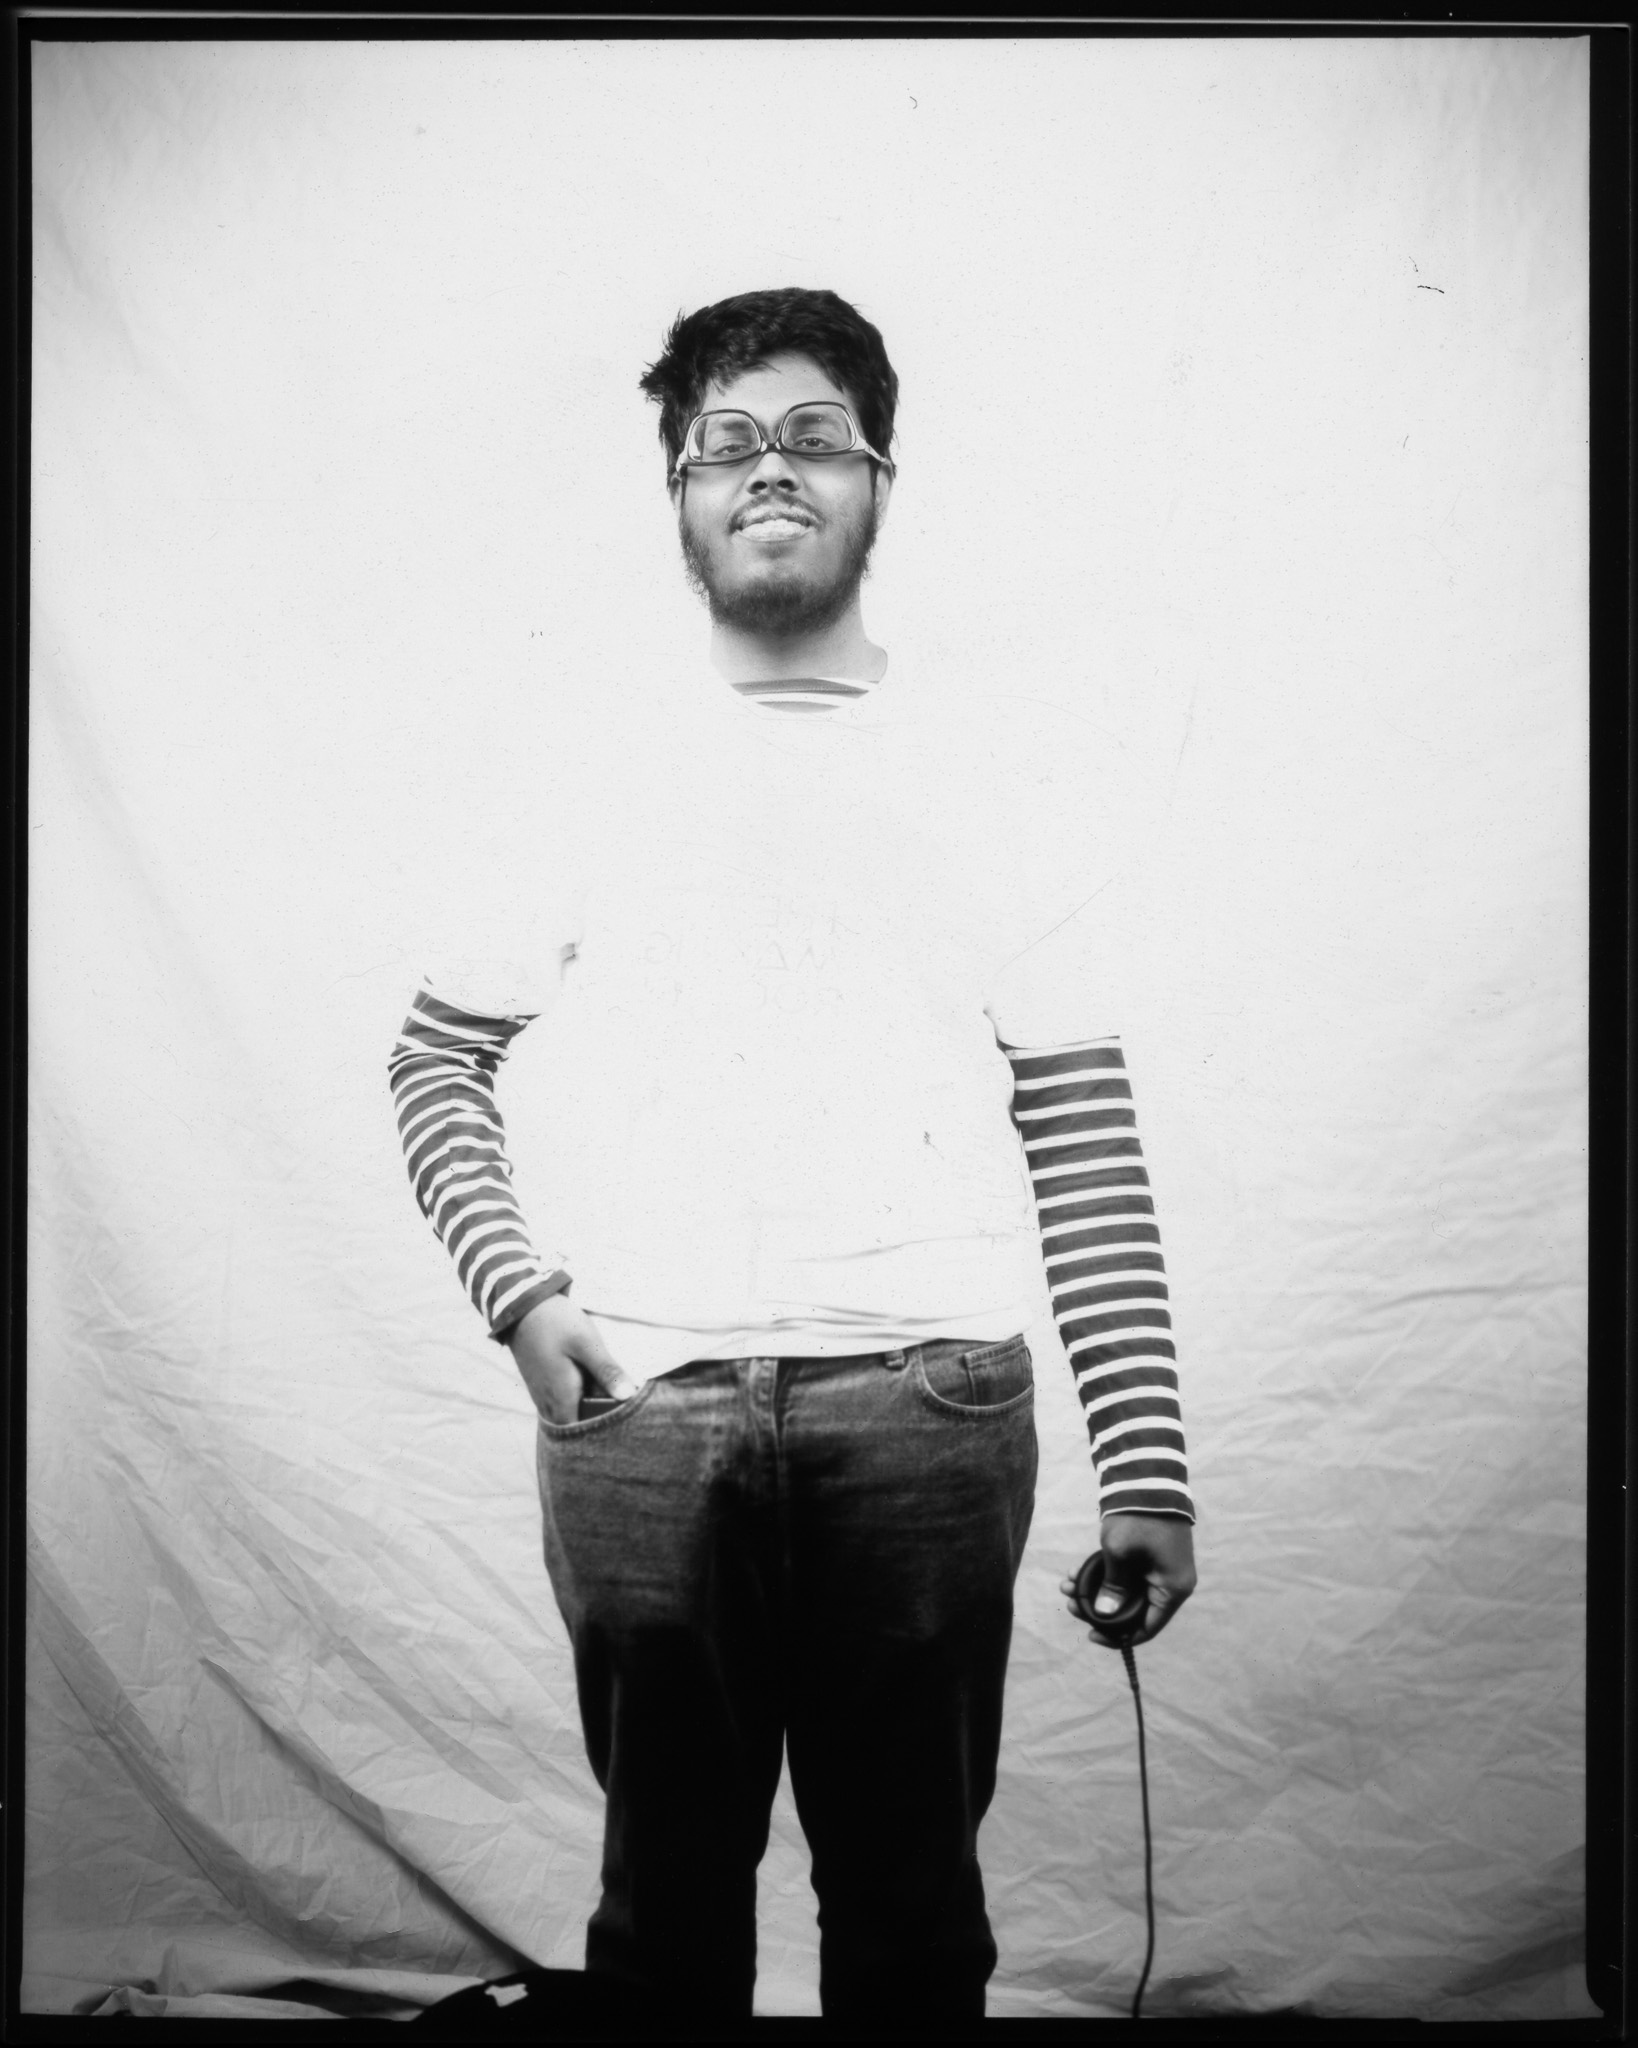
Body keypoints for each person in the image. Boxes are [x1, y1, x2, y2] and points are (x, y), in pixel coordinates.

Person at [389, 287, 1196, 2031]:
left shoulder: (1006, 768)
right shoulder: (583, 761)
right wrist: (522, 1303)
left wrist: (1146, 1466)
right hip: (640, 1410)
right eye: (726, 442)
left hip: (929, 1409)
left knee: (911, 1925)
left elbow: (1079, 1119)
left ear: (878, 479)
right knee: (661, 1925)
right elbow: (436, 1057)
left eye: (815, 435)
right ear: (678, 495)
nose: (771, 468)